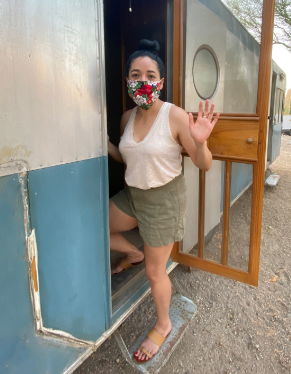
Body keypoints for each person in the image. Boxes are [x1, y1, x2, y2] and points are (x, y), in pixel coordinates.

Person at [107, 39, 219, 363]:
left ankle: (163, 323)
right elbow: (127, 159)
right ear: (128, 80)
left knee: (156, 274)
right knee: (98, 227)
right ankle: (133, 251)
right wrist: (103, 143)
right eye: (135, 75)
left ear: (161, 81)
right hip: (133, 194)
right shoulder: (126, 118)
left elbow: (204, 164)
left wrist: (200, 143)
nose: (143, 82)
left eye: (150, 75)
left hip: (164, 201)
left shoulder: (176, 116)